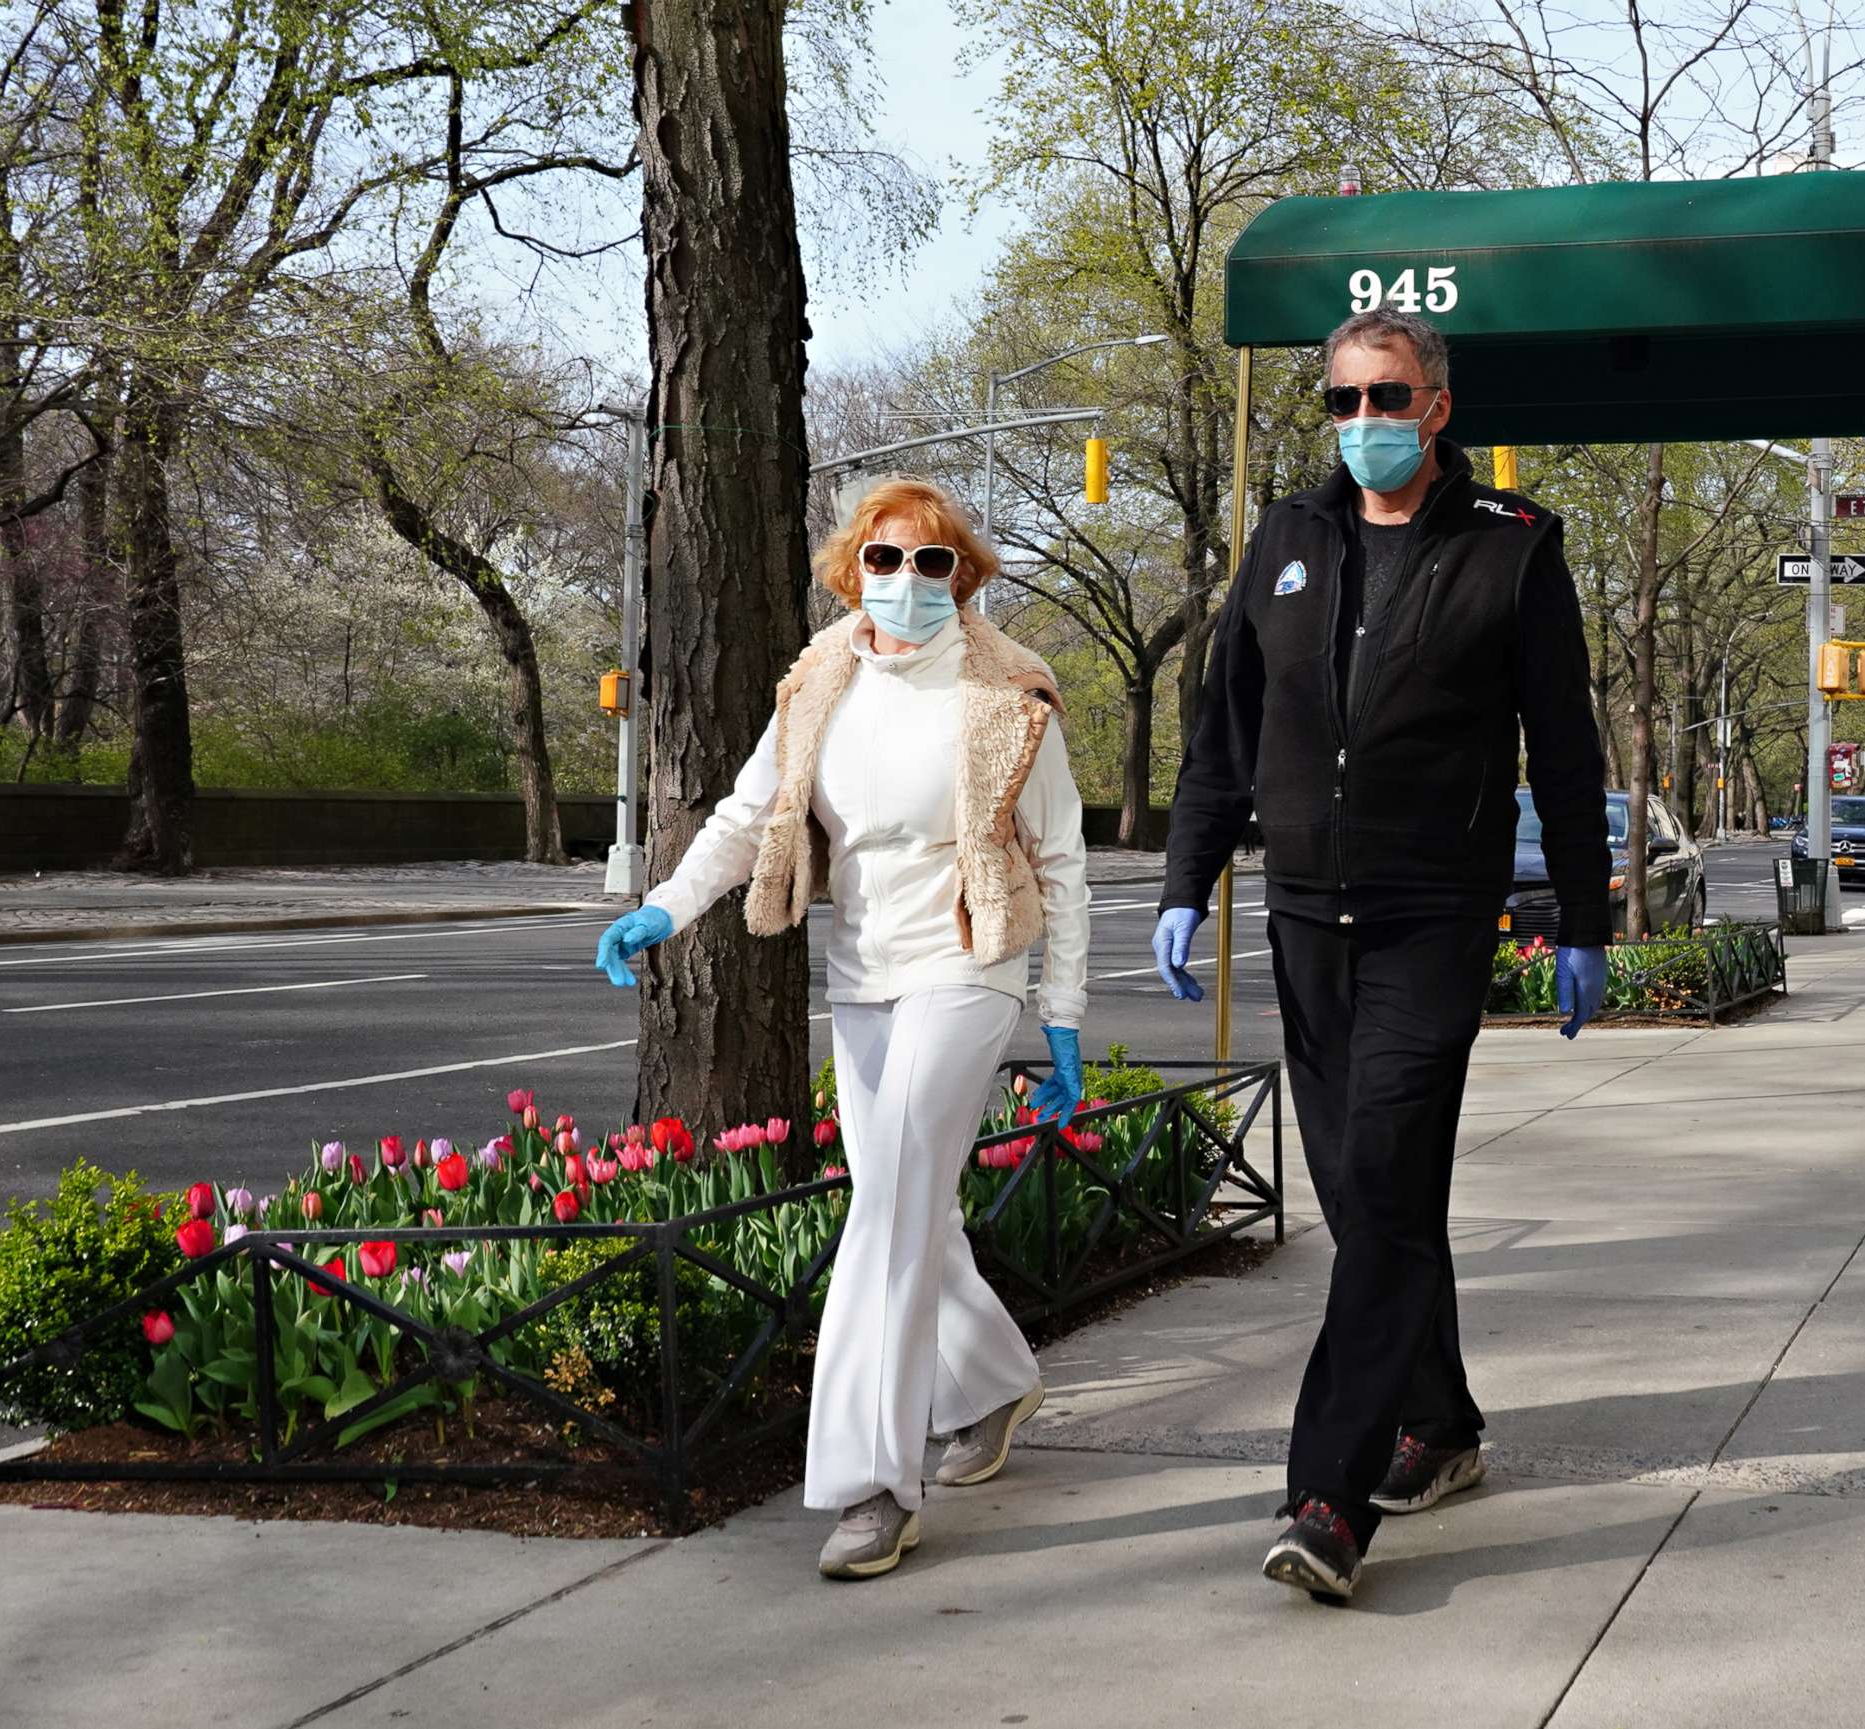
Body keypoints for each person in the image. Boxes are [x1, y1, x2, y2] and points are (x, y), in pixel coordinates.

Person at [1152, 307, 1613, 1603]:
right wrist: (1190, 876)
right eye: (1345, 401)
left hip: (1431, 919)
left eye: (1387, 397)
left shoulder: (1514, 552)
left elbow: (1564, 753)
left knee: (1385, 1174)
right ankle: (1445, 1424)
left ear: (1439, 407)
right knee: (1373, 1205)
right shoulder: (1291, 543)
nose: (1365, 422)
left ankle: (1328, 1494)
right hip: (1307, 917)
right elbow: (1225, 726)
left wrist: (1583, 916)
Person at [590, 476, 1090, 1582]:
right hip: (864, 977)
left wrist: (1061, 1014)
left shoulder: (1010, 692)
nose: (907, 581)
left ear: (964, 576)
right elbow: (744, 818)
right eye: (885, 559)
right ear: (849, 567)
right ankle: (995, 1380)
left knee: (888, 1215)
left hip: (972, 965)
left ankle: (871, 1482)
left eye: (933, 563)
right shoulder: (819, 683)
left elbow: (1061, 862)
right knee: (897, 1203)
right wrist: (665, 906)